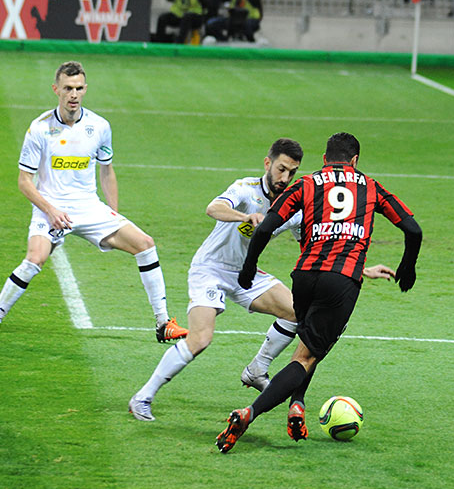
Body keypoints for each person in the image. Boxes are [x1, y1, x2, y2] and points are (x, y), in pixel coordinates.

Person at [128, 139, 396, 421]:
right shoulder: (245, 189)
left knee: (298, 314)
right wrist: (245, 216)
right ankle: (142, 397)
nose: (285, 178)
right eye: (281, 169)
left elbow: (314, 244)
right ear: (267, 164)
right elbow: (213, 208)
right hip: (210, 269)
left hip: (247, 273)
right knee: (201, 338)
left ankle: (257, 369)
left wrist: (361, 269)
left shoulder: (293, 204)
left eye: (292, 172)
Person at [216, 132, 422, 453]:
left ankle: (297, 403)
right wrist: (407, 268)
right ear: (354, 161)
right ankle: (249, 413)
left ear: (325, 159)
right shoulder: (370, 186)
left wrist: (248, 266)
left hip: (304, 276)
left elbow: (267, 226)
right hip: (341, 279)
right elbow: (412, 229)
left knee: (308, 340)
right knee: (309, 354)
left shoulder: (306, 184)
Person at [0, 61, 187, 344]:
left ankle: (163, 323)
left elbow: (107, 171)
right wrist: (49, 210)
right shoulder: (39, 128)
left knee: (145, 244)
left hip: (89, 207)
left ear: (85, 89)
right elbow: (24, 181)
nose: (73, 94)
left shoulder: (99, 127)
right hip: (49, 207)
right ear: (56, 90)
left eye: (78, 88)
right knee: (34, 259)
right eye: (67, 89)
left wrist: (114, 213)